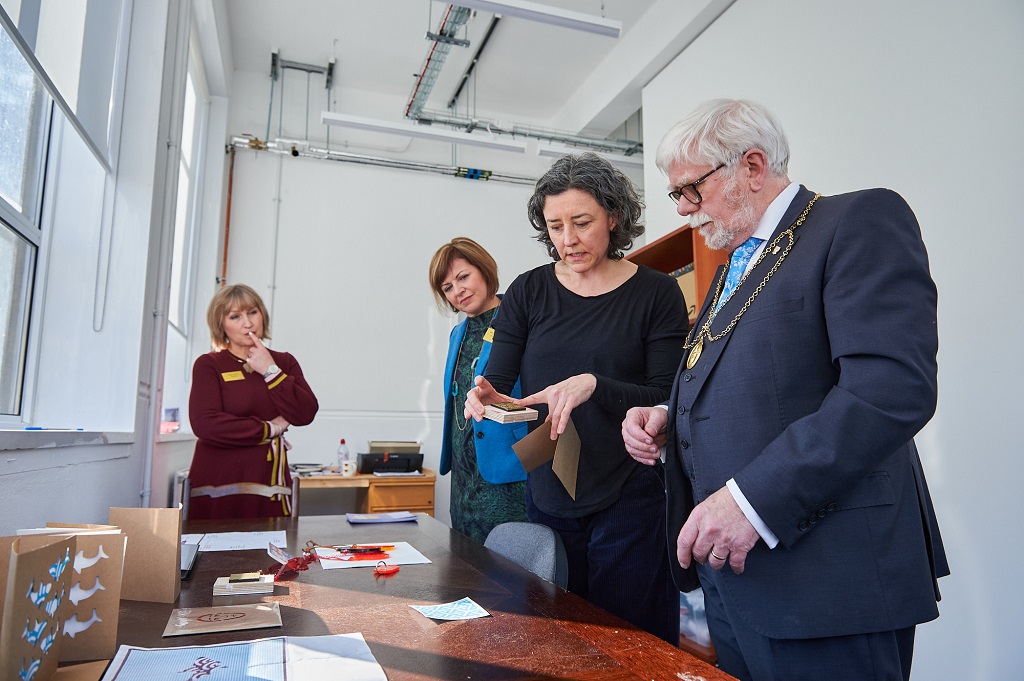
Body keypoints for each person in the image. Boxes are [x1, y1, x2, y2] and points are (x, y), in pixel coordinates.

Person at [622, 99, 948, 681]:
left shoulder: (857, 221)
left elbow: (889, 389)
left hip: (830, 577)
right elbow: (758, 379)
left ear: (751, 166)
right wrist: (673, 412)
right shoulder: (732, 263)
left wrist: (751, 501)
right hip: (741, 576)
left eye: (691, 191)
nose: (684, 211)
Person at [465, 153, 688, 644]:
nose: (568, 239)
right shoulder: (528, 291)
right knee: (558, 637)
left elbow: (669, 395)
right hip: (551, 485)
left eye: (582, 222)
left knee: (629, 640)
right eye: (556, 226)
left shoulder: (656, 293)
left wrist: (595, 385)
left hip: (631, 490)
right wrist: (483, 393)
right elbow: (498, 380)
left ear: (613, 215)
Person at [188, 283, 319, 519]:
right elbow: (205, 424)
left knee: (271, 551)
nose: (247, 323)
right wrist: (271, 428)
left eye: (252, 312)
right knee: (214, 552)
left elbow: (305, 412)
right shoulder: (209, 365)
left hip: (269, 482)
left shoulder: (284, 362)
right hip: (217, 482)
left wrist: (270, 371)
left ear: (262, 315)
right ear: (221, 324)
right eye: (235, 316)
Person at [429, 237, 528, 544]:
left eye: (463, 277)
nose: (457, 291)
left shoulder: (518, 322)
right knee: (465, 567)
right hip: (463, 474)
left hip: (508, 468)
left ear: (484, 271)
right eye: (447, 287)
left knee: (510, 570)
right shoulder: (458, 333)